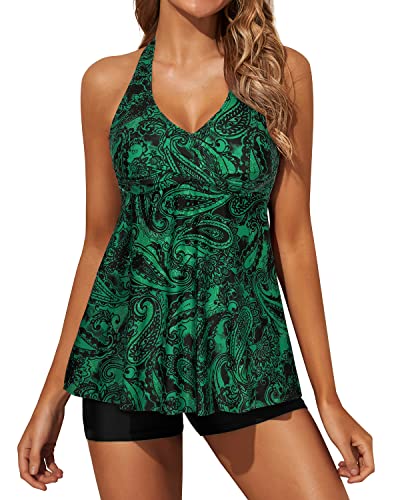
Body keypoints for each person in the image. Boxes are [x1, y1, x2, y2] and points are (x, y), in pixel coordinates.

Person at [17, 1, 375, 498]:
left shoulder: (279, 75)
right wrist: (51, 397)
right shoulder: (106, 83)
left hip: (243, 354)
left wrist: (328, 398)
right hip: (125, 360)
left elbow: (292, 241)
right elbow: (100, 244)